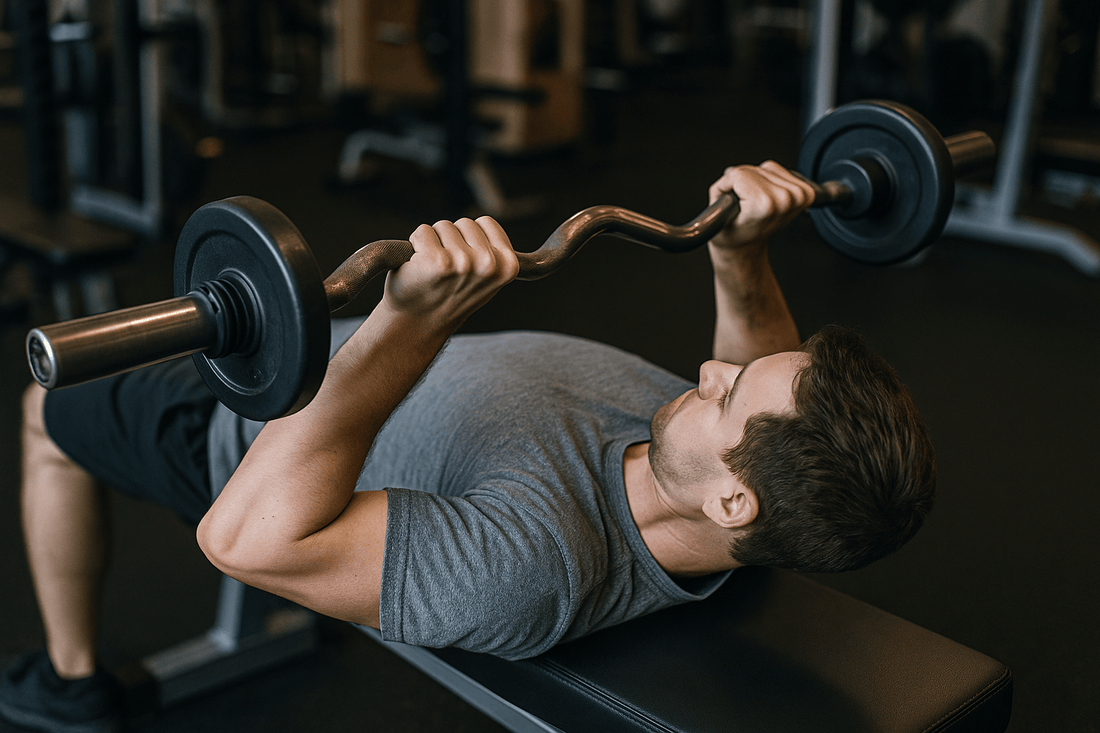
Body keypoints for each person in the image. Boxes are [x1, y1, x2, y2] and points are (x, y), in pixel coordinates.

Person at [0, 162, 936, 732]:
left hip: (242, 440)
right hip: (339, 360)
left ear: (735, 501)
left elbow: (244, 542)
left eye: (730, 393)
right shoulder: (707, 475)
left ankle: (71, 682)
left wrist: (406, 328)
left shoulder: (533, 565)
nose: (713, 367)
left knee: (49, 417)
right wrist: (740, 253)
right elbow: (759, 387)